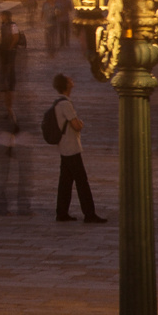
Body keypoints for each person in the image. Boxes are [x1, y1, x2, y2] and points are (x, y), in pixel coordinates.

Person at [51, 74, 107, 224]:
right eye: (70, 79)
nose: (72, 80)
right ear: (66, 85)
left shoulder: (58, 102)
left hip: (64, 147)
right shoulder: (65, 104)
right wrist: (80, 124)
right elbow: (76, 125)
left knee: (66, 181)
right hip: (71, 148)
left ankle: (61, 212)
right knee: (82, 181)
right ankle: (89, 213)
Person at [0, 100, 32, 216]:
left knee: (2, 177)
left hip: (6, 147)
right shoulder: (4, 111)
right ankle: (0, 208)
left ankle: (1, 207)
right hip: (2, 147)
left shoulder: (9, 110)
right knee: (2, 178)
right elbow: (5, 127)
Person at [0, 10, 23, 98]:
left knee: (10, 68)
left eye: (3, 15)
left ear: (7, 16)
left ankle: (11, 85)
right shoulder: (3, 25)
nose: (1, 17)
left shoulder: (13, 25)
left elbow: (16, 37)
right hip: (3, 49)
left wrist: (11, 47)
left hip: (10, 50)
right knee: (3, 68)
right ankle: (4, 85)